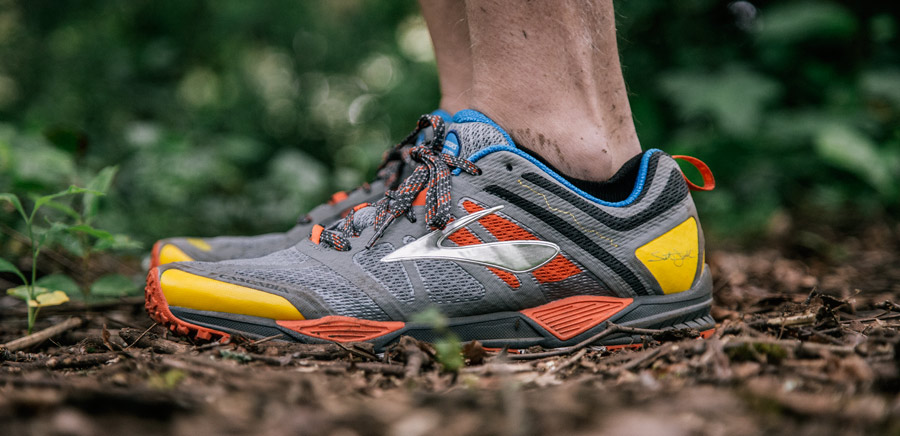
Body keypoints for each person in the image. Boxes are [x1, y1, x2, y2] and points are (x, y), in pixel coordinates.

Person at [145, 0, 716, 349]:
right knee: (472, 112)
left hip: (583, 218)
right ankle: (473, 157)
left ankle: (561, 149)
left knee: (550, 133)